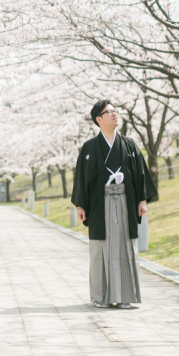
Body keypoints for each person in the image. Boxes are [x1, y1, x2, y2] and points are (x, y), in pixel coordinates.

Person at [72, 100, 158, 309]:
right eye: (109, 112)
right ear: (98, 119)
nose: (115, 114)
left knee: (125, 247)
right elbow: (82, 178)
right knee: (100, 250)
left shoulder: (129, 144)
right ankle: (101, 297)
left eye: (115, 111)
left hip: (125, 201)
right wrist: (81, 206)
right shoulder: (89, 147)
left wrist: (142, 200)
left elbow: (140, 173)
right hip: (99, 205)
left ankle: (124, 295)